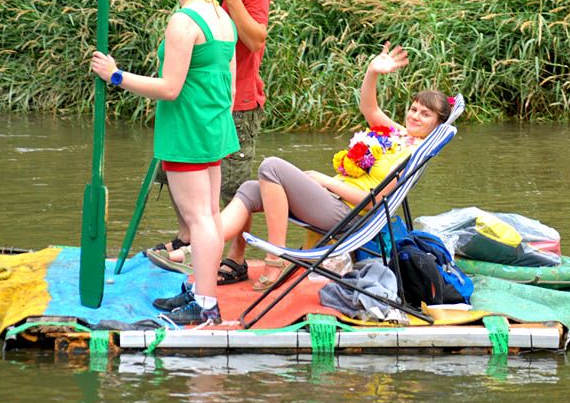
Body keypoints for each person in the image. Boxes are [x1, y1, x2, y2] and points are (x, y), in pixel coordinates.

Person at [157, 43, 453, 292]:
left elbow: (376, 200)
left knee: (272, 167)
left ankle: (275, 260)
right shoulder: (398, 135)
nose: (414, 116)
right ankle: (210, 253)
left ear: (437, 124)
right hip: (330, 203)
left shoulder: (412, 155)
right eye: (413, 109)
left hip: (348, 215)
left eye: (425, 115)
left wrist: (326, 181)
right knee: (249, 189)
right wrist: (372, 72)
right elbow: (369, 108)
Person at [90, 0, 238, 325]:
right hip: (214, 125)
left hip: (187, 129)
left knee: (199, 221)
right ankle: (199, 288)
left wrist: (115, 76)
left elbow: (170, 87)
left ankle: (206, 306)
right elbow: (231, 86)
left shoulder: (183, 21)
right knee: (209, 215)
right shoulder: (223, 18)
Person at [149, 0, 270, 281]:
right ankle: (190, 242)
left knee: (234, 190)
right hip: (193, 107)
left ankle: (234, 258)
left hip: (234, 103)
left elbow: (256, 40)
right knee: (173, 177)